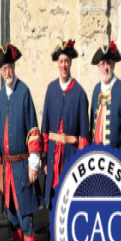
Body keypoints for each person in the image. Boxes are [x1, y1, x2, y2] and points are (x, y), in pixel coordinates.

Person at [0, 44, 43, 241]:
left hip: (23, 166)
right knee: (12, 218)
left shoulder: (24, 92)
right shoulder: (1, 95)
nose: (7, 71)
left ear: (14, 68)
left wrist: (34, 162)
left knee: (26, 219)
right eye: (3, 68)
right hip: (7, 169)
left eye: (10, 67)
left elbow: (33, 129)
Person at [41, 40, 89, 209]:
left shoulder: (80, 93)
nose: (63, 65)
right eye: (61, 61)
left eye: (66, 61)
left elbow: (84, 136)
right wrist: (44, 159)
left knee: (71, 197)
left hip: (71, 154)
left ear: (70, 64)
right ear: (58, 64)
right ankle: (53, 235)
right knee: (54, 198)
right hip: (53, 154)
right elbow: (44, 129)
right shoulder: (51, 89)